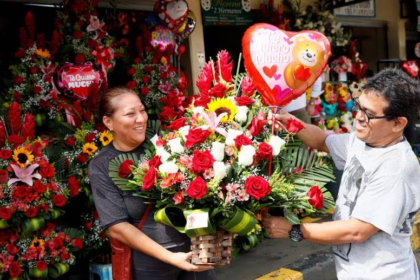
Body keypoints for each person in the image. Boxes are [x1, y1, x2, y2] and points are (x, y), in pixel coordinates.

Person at [263, 68, 420, 279]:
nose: (358, 117)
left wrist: (294, 230)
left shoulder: (395, 169)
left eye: (369, 115)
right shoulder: (364, 140)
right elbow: (321, 140)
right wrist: (290, 121)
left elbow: (357, 230)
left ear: (398, 123)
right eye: (358, 107)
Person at [88, 87, 215, 280]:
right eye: (130, 114)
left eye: (142, 110)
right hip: (151, 266)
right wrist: (171, 257)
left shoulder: (165, 143)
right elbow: (118, 228)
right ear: (108, 122)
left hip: (197, 251)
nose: (140, 118)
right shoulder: (102, 165)